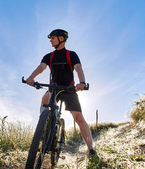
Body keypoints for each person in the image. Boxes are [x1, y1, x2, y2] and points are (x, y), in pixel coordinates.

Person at [25, 29, 97, 157]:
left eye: (53, 37)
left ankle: (91, 149)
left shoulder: (71, 54)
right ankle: (43, 129)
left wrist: (82, 82)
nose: (50, 40)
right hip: (54, 88)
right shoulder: (49, 56)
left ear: (61, 38)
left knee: (79, 118)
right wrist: (31, 78)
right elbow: (41, 67)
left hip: (69, 89)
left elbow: (78, 68)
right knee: (45, 98)